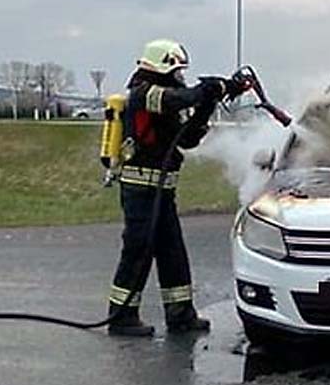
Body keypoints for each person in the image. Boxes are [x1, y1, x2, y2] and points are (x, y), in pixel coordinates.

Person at [105, 39, 249, 336]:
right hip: (140, 189)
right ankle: (121, 317)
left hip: (162, 190)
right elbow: (178, 98)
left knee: (172, 251)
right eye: (177, 71)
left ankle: (180, 315)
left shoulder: (164, 101)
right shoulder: (144, 92)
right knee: (138, 251)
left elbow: (187, 139)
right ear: (163, 67)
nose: (180, 76)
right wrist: (209, 89)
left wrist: (207, 104)